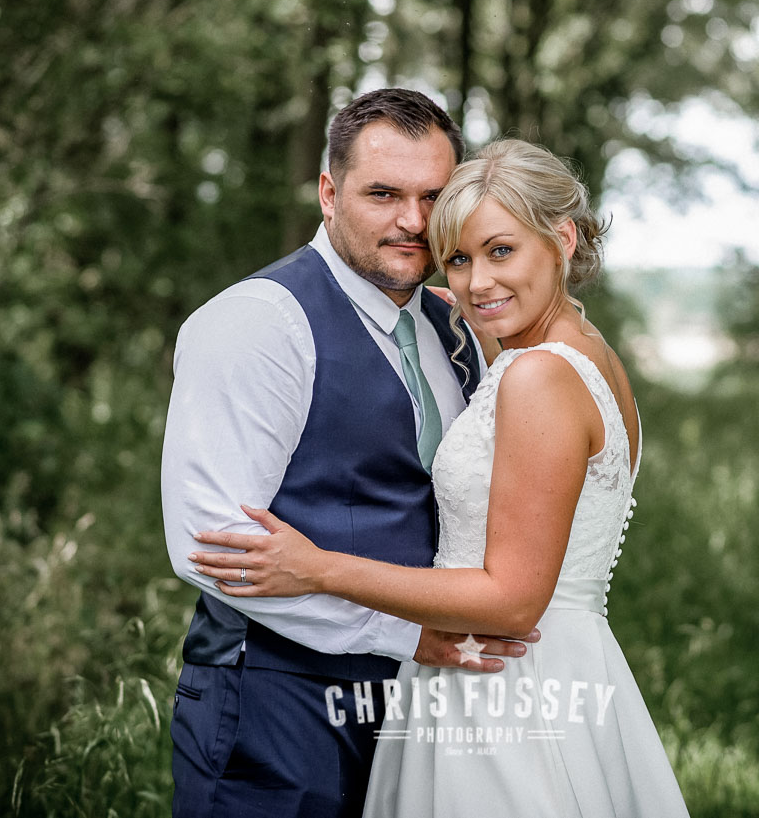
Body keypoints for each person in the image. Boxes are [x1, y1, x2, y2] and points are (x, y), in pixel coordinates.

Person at [188, 139, 691, 817]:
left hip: (501, 676)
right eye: (458, 258)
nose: (478, 282)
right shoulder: (589, 354)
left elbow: (511, 600)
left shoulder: (538, 377)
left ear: (563, 239)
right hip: (565, 664)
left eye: (501, 250)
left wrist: (318, 568)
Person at [160, 90, 535, 818]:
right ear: (329, 194)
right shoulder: (259, 322)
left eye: (434, 197)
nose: (413, 221)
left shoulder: (450, 326)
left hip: (420, 702)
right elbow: (213, 542)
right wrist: (403, 632)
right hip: (276, 702)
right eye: (384, 194)